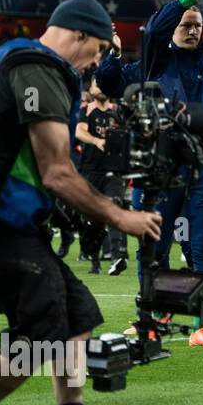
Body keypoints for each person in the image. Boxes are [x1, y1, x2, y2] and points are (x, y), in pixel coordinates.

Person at [0, 0, 161, 405]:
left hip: (11, 218)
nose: (97, 62)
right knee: (40, 332)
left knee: (77, 315)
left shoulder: (15, 58)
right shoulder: (37, 68)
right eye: (98, 49)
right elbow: (56, 171)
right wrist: (120, 217)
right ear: (79, 33)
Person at [96, 0, 203, 347]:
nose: (192, 30)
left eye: (197, 26)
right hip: (159, 164)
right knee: (154, 242)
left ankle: (200, 325)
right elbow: (116, 74)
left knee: (202, 243)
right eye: (186, 24)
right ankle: (151, 317)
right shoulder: (154, 61)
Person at [73, 78, 128, 275]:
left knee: (114, 206)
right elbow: (79, 131)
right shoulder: (86, 111)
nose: (101, 87)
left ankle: (117, 257)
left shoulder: (118, 111)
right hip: (91, 170)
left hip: (114, 170)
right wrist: (96, 141)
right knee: (92, 216)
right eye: (97, 83)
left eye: (105, 83)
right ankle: (94, 260)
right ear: (91, 88)